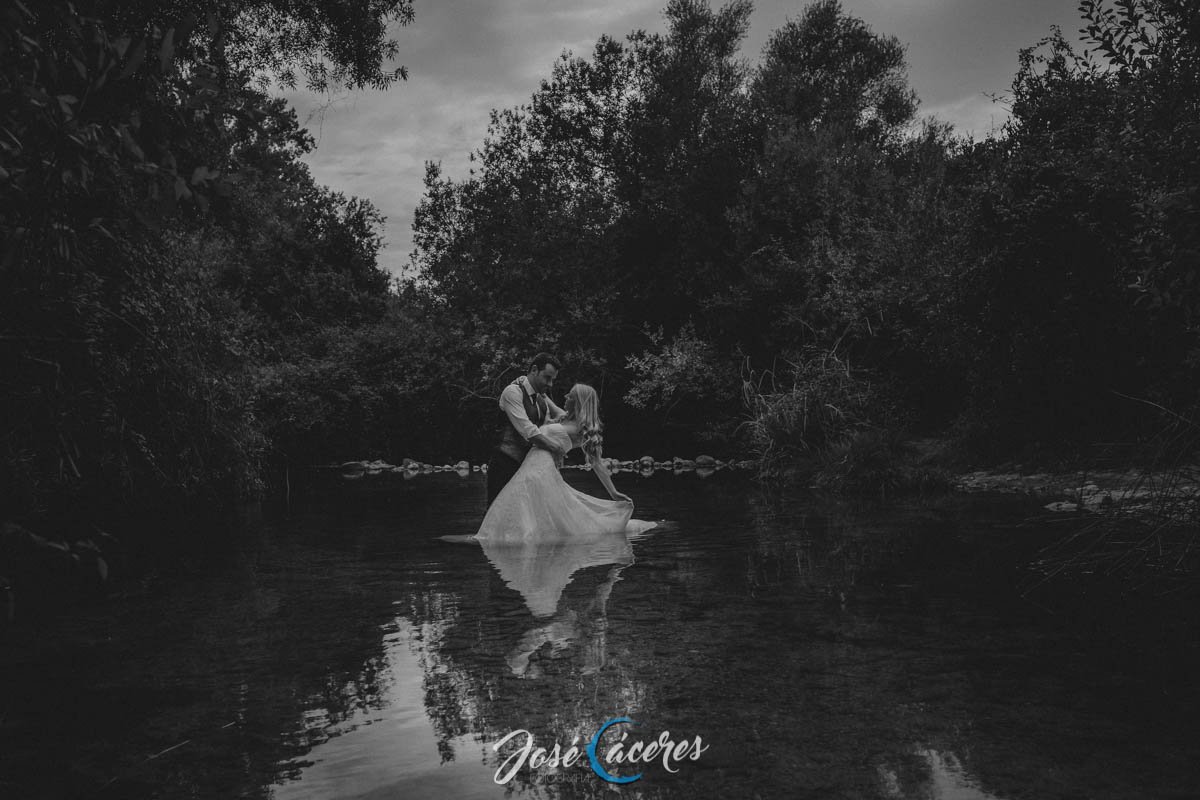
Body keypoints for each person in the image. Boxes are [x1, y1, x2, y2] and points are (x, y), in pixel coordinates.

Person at [475, 383, 654, 542]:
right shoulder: (563, 417)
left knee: (523, 508)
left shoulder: (581, 431)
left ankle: (516, 546)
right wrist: (522, 381)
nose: (565, 397)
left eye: (570, 396)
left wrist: (613, 492)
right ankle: (511, 541)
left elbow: (597, 464)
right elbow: (542, 394)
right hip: (531, 469)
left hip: (540, 471)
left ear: (578, 402)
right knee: (523, 509)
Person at [487, 353, 567, 507]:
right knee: (495, 511)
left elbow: (554, 419)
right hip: (504, 463)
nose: (550, 384)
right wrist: (556, 448)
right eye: (547, 377)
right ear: (534, 370)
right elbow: (528, 431)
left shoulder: (541, 398)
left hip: (527, 466)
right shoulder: (513, 392)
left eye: (553, 379)